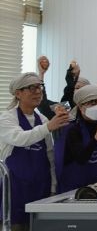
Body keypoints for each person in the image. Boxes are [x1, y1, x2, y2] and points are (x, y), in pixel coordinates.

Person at [0, 73, 68, 231]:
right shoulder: (7, 118)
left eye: (40, 87)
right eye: (32, 88)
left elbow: (50, 156)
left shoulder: (42, 119)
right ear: (18, 93)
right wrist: (48, 128)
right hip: (14, 189)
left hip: (40, 188)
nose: (38, 92)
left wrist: (53, 187)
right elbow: (19, 138)